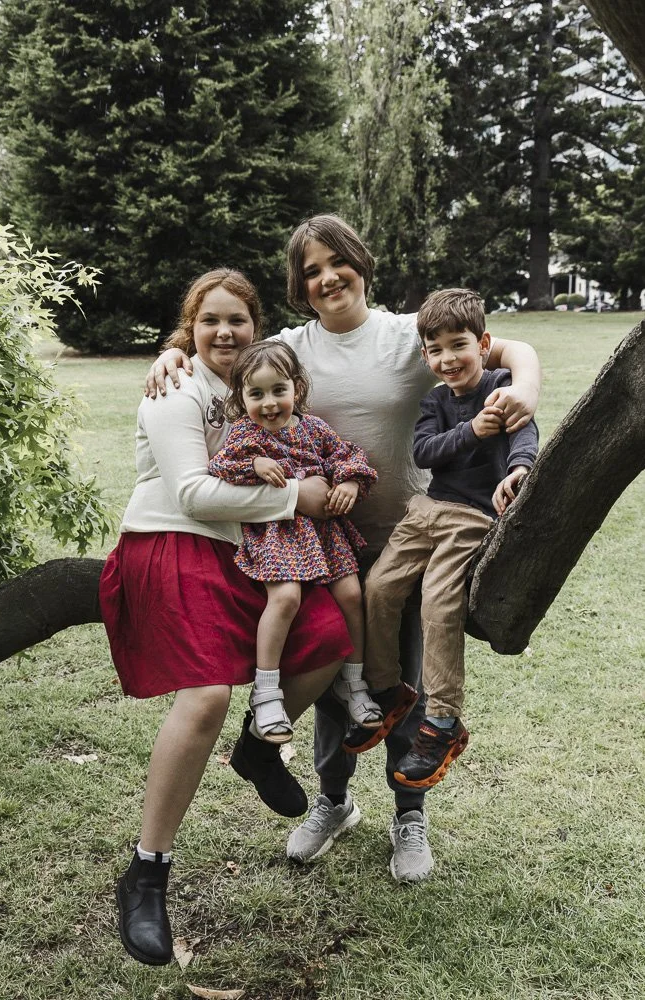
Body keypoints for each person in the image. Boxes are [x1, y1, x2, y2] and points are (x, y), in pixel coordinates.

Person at [146, 213, 541, 882]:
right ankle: (332, 801)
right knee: (334, 683)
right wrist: (172, 352)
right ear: (300, 286)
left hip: (404, 539)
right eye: (310, 270)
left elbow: (505, 350)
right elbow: (221, 348)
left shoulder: (402, 335)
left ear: (359, 262)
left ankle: (409, 813)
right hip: (314, 542)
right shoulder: (288, 346)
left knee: (398, 681)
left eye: (337, 261)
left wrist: (523, 390)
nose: (327, 276)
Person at [99, 268, 354, 966]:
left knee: (331, 634)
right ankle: (147, 871)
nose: (223, 331)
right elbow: (190, 492)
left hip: (242, 553)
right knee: (206, 692)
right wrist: (295, 499)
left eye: (236, 320)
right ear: (191, 326)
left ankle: (256, 745)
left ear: (256, 326)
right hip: (169, 545)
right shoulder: (174, 388)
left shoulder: (256, 384)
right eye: (208, 320)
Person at [361, 288, 539, 790]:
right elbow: (423, 453)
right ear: (425, 356)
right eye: (435, 350)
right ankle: (386, 688)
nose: (447, 358)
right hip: (426, 509)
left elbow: (525, 436)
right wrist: (471, 433)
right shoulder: (436, 400)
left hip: (472, 517)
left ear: (483, 343)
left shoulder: (502, 390)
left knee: (439, 604)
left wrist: (518, 469)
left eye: (457, 345)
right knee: (378, 587)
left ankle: (442, 721)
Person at [208, 339, 381, 743]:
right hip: (280, 534)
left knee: (353, 596)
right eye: (256, 394)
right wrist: (255, 462)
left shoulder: (315, 428)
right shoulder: (246, 434)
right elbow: (220, 465)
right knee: (285, 598)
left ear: (296, 389)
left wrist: (351, 482)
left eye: (278, 391)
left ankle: (352, 682)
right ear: (241, 397)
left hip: (325, 536)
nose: (269, 403)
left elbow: (346, 456)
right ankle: (266, 691)